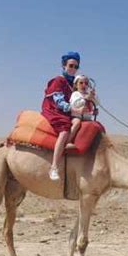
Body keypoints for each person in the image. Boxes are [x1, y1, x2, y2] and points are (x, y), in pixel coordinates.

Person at [41, 51, 81, 181]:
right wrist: (70, 108)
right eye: (71, 65)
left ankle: (67, 144)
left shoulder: (73, 84)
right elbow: (58, 100)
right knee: (64, 131)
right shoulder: (59, 80)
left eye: (76, 66)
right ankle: (54, 167)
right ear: (64, 66)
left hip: (67, 111)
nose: (73, 69)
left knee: (78, 122)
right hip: (54, 109)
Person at [67, 75, 97, 145]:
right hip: (76, 117)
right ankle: (68, 141)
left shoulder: (89, 95)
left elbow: (97, 103)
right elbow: (75, 104)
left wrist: (93, 96)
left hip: (87, 118)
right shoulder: (75, 94)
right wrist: (85, 99)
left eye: (86, 83)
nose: (84, 85)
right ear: (76, 85)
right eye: (81, 83)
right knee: (77, 123)